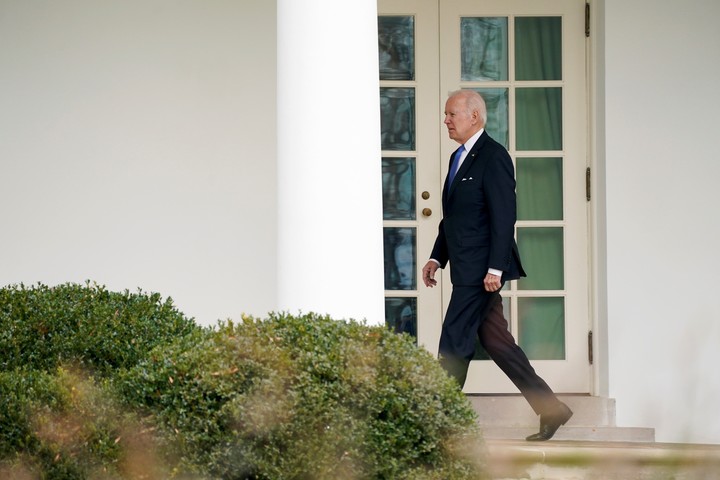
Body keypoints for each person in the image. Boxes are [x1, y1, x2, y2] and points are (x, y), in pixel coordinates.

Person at [421, 90, 573, 442]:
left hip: (480, 272)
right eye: (445, 114)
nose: (446, 120)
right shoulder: (457, 158)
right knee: (498, 342)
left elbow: (504, 219)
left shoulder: (494, 157)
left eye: (451, 114)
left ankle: (435, 421)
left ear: (473, 116)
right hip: (466, 266)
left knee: (455, 341)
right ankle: (551, 408)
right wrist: (435, 257)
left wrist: (495, 267)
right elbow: (455, 219)